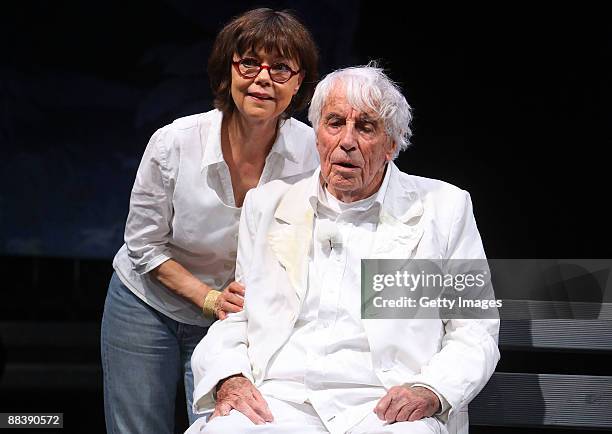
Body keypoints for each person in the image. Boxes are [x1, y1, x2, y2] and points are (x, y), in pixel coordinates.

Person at [186, 65, 500, 434]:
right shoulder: (268, 204)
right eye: (334, 123)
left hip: (383, 404)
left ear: (392, 145)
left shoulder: (444, 208)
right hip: (282, 400)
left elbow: (474, 328)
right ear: (317, 135)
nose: (346, 141)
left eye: (365, 127)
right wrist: (230, 376)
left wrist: (431, 389)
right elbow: (238, 314)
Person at [100, 8, 319, 434]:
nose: (262, 78)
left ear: (299, 83)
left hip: (237, 321)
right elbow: (144, 246)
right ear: (228, 71)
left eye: (280, 68)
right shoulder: (174, 143)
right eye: (249, 63)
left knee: (223, 428)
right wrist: (209, 298)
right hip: (147, 305)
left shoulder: (312, 152)